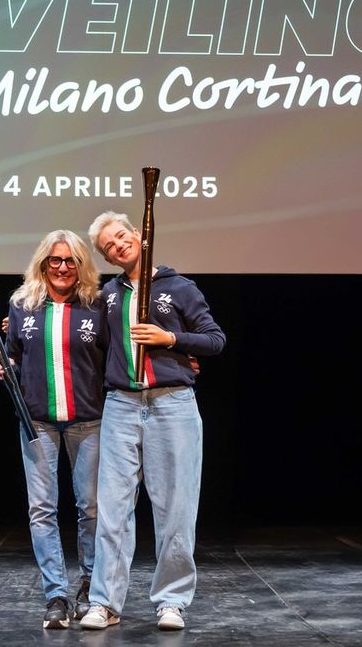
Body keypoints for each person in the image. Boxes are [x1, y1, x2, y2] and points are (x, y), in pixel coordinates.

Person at [78, 210, 226, 632]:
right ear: (107, 257)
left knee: (176, 507)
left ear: (138, 234)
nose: (117, 245)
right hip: (121, 406)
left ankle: (172, 601)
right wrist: (17, 327)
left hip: (172, 404)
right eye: (108, 246)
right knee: (113, 509)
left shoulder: (179, 287)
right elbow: (84, 339)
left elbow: (215, 339)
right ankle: (105, 603)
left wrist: (172, 340)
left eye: (120, 236)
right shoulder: (108, 295)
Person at [0, 229, 107, 629]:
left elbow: (120, 353)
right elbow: (14, 357)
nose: (62, 267)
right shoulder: (22, 305)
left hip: (89, 420)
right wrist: (4, 367)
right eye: (55, 259)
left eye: (71, 260)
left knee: (91, 508)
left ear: (81, 265)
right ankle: (55, 594)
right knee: (41, 510)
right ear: (43, 263)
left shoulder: (97, 305)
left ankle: (89, 588)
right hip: (36, 420)